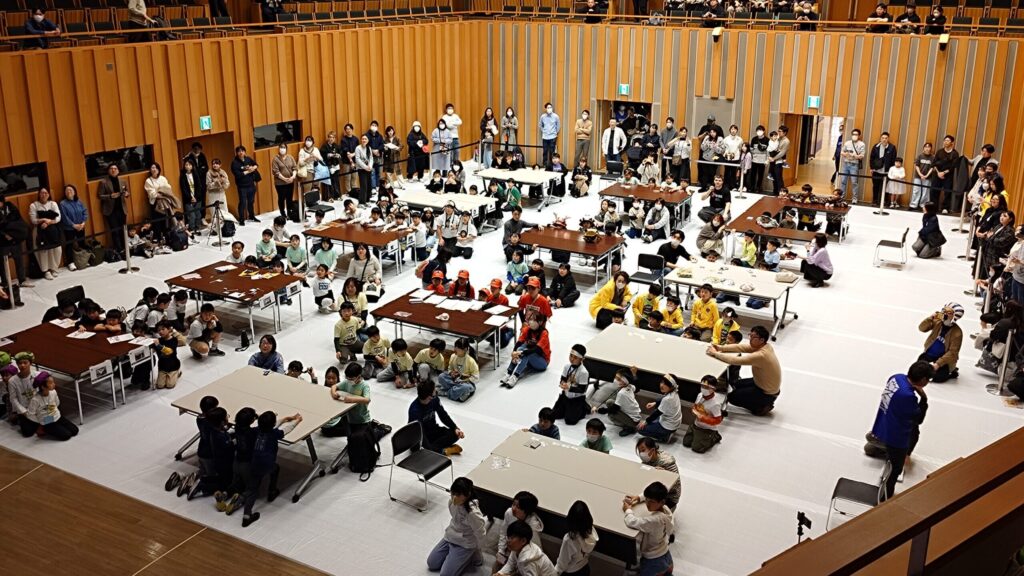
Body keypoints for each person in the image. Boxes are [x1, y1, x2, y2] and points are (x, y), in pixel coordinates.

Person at [870, 361, 933, 499]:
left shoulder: (896, 377)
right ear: (923, 380)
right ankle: (885, 497)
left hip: (883, 424)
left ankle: (878, 446)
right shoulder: (908, 396)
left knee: (913, 433)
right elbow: (919, 419)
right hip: (896, 437)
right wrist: (924, 399)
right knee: (895, 469)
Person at [241, 410, 302, 527]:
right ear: (273, 424)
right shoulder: (274, 434)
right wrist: (297, 421)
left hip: (254, 463)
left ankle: (246, 515)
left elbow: (269, 426)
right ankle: (272, 491)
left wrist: (284, 419)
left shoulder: (255, 431)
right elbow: (286, 430)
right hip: (267, 464)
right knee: (275, 469)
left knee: (252, 490)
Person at [707, 325, 782, 415]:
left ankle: (762, 407)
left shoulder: (762, 355)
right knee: (735, 384)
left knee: (732, 397)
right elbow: (741, 347)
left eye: (753, 337)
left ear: (761, 340)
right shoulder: (765, 346)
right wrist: (720, 348)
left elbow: (735, 361)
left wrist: (715, 354)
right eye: (750, 335)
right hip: (761, 382)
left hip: (767, 392)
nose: (750, 339)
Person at [426, 476, 487, 576]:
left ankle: (471, 555)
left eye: (458, 495)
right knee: (432, 563)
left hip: (465, 543)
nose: (454, 497)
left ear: (467, 495)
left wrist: (477, 547)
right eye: (453, 493)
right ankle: (456, 556)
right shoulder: (451, 503)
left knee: (445, 575)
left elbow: (481, 533)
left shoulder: (473, 513)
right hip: (450, 536)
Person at [622, 482, 675, 576]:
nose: (647, 503)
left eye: (651, 501)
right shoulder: (666, 510)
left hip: (654, 560)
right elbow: (650, 495)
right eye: (646, 499)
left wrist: (627, 510)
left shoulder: (655, 520)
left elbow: (632, 522)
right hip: (665, 554)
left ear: (662, 502)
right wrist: (638, 498)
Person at [494, 491, 545, 573]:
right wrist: (501, 551)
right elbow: (504, 533)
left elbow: (536, 549)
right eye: (513, 504)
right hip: (510, 549)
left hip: (524, 556)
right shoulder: (509, 513)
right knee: (497, 567)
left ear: (526, 510)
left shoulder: (533, 526)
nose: (513, 508)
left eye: (518, 507)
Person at [410, 380, 465, 455]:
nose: (436, 391)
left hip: (433, 431)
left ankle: (437, 450)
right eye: (434, 391)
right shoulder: (414, 411)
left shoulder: (434, 399)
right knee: (419, 449)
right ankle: (442, 451)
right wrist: (431, 450)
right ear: (429, 397)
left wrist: (455, 428)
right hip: (420, 436)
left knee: (455, 434)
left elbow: (443, 415)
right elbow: (420, 435)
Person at [502, 314, 551, 388]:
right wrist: (514, 352)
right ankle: (509, 372)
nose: (530, 322)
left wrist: (521, 352)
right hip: (530, 359)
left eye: (533, 320)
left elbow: (537, 349)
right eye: (530, 319)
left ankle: (515, 376)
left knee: (525, 353)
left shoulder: (544, 333)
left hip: (542, 362)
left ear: (540, 322)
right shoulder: (527, 329)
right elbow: (519, 342)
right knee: (520, 349)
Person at [918, 303, 963, 382]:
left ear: (955, 316)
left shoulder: (957, 333)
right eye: (944, 311)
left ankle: (951, 372)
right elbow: (921, 328)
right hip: (929, 354)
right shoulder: (937, 322)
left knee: (938, 378)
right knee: (918, 369)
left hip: (944, 360)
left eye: (948, 313)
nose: (944, 314)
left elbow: (953, 352)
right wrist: (930, 318)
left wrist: (938, 364)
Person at [28, 372, 79, 441]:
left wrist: (54, 412)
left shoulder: (53, 392)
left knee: (75, 430)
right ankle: (44, 429)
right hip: (47, 421)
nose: (54, 384)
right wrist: (40, 421)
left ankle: (56, 427)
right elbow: (30, 414)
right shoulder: (35, 399)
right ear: (43, 387)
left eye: (53, 382)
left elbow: (57, 403)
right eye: (51, 383)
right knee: (66, 435)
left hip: (57, 416)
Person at [550, 344, 591, 425]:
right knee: (554, 415)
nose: (572, 359)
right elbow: (563, 378)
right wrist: (562, 383)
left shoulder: (583, 372)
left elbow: (582, 389)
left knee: (570, 421)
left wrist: (569, 387)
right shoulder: (567, 366)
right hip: (565, 396)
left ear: (581, 359)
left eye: (575, 358)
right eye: (571, 356)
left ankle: (584, 407)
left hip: (576, 398)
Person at [684, 375, 725, 453]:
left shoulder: (715, 404)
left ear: (713, 389)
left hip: (707, 428)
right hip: (696, 424)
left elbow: (718, 420)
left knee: (696, 448)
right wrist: (694, 410)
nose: (703, 388)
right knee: (686, 443)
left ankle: (714, 436)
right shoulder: (700, 395)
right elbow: (695, 406)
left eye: (706, 387)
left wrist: (703, 418)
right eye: (702, 386)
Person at [28, 188, 63, 280]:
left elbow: (58, 217)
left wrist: (48, 222)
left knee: (56, 249)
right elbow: (33, 220)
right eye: (42, 193)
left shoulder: (53, 204)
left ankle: (54, 268)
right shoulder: (34, 205)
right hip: (40, 231)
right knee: (43, 251)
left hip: (52, 230)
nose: (44, 195)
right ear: (39, 194)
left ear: (48, 194)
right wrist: (43, 220)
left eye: (46, 193)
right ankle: (45, 271)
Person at [557, 500, 598, 576]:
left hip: (571, 572)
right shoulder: (592, 532)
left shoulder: (569, 540)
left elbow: (562, 564)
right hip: (584, 569)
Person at [97, 163, 129, 255]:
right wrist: (110, 196)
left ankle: (126, 248)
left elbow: (127, 192)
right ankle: (119, 250)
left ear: (118, 171)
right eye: (111, 168)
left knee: (123, 230)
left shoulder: (123, 181)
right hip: (110, 211)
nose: (113, 170)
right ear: (108, 171)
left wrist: (127, 194)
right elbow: (100, 196)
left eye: (115, 168)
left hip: (122, 209)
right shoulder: (103, 182)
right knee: (115, 231)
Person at [436, 337, 479, 402]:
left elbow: (476, 377)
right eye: (455, 347)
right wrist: (451, 373)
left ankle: (446, 393)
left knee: (465, 387)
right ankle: (459, 393)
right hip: (455, 380)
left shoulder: (471, 361)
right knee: (441, 376)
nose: (455, 349)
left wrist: (464, 379)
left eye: (458, 348)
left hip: (466, 383)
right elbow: (450, 368)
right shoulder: (453, 356)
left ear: (465, 349)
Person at [230, 146, 259, 224]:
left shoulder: (248, 159)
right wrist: (248, 171)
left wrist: (253, 168)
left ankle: (252, 216)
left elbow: (256, 164)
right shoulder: (234, 163)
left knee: (251, 202)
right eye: (239, 151)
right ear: (236, 153)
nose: (241, 152)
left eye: (242, 151)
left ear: (245, 152)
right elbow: (238, 175)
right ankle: (241, 219)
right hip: (242, 186)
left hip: (251, 184)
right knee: (242, 203)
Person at [933, 135, 960, 212]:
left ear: (952, 143)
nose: (945, 142)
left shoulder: (955, 153)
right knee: (934, 191)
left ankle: (945, 208)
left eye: (948, 140)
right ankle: (934, 207)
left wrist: (944, 173)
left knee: (947, 192)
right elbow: (934, 163)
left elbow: (953, 166)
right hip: (937, 174)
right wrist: (938, 173)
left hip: (948, 176)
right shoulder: (939, 151)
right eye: (945, 140)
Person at [870, 132, 898, 205]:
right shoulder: (876, 146)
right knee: (875, 187)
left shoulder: (892, 147)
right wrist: (872, 168)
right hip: (876, 171)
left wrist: (892, 171)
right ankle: (875, 201)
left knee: (886, 188)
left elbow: (894, 160)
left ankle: (885, 202)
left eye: (886, 138)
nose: (884, 139)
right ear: (880, 138)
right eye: (882, 138)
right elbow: (871, 158)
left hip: (886, 172)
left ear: (888, 139)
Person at [58, 184, 87, 254]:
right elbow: (64, 217)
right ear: (65, 193)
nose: (68, 192)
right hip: (69, 228)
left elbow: (84, 212)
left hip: (81, 226)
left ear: (74, 192)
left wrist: (83, 223)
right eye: (67, 191)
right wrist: (74, 225)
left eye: (70, 190)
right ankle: (70, 260)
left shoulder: (79, 201)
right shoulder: (62, 204)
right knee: (69, 245)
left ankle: (85, 257)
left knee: (82, 243)